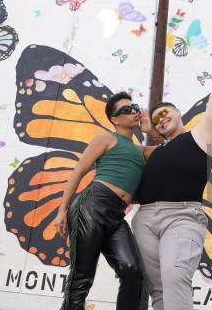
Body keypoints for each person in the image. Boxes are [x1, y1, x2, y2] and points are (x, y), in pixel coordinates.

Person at [133, 58, 212, 310]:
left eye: (165, 113)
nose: (162, 119)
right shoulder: (156, 150)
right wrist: (146, 130)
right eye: (156, 119)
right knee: (158, 289)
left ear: (178, 111)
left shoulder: (200, 135)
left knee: (175, 277)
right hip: (145, 220)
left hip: (182, 216)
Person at [56, 92, 151, 310]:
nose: (134, 112)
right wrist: (62, 210)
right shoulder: (106, 138)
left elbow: (170, 151)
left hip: (117, 215)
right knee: (82, 275)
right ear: (114, 119)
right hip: (92, 206)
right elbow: (78, 171)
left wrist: (149, 131)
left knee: (133, 269)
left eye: (135, 107)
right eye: (126, 109)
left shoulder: (141, 151)